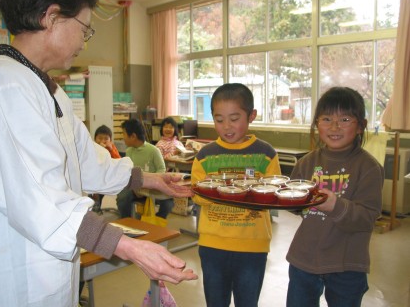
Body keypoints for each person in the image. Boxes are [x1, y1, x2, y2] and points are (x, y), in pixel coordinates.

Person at [0, 0, 197, 306]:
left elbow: (85, 163)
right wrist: (127, 246)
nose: (85, 41)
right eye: (84, 29)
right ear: (52, 17)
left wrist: (150, 179)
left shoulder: (48, 90)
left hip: (49, 271)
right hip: (17, 275)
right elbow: (43, 200)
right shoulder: (4, 82)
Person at [286, 87, 384, 307]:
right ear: (316, 124)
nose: (334, 127)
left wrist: (334, 205)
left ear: (361, 126)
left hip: (347, 264)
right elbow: (294, 205)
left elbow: (367, 217)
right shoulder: (306, 163)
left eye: (345, 119)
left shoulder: (368, 167)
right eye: (327, 119)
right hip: (304, 259)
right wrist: (287, 199)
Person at [191, 83, 281, 307]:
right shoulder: (205, 154)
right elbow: (196, 193)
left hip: (252, 245)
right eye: (219, 119)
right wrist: (221, 192)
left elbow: (273, 193)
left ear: (251, 115)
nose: (226, 126)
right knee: (215, 302)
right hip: (213, 245)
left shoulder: (266, 153)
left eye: (234, 118)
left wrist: (237, 192)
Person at [116, 119, 174, 219]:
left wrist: (151, 184)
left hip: (153, 188)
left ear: (133, 136)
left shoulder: (153, 150)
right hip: (135, 187)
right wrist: (135, 188)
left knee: (168, 202)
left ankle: (157, 220)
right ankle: (126, 221)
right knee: (122, 197)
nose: (123, 138)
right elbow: (129, 171)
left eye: (124, 134)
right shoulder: (129, 151)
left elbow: (161, 170)